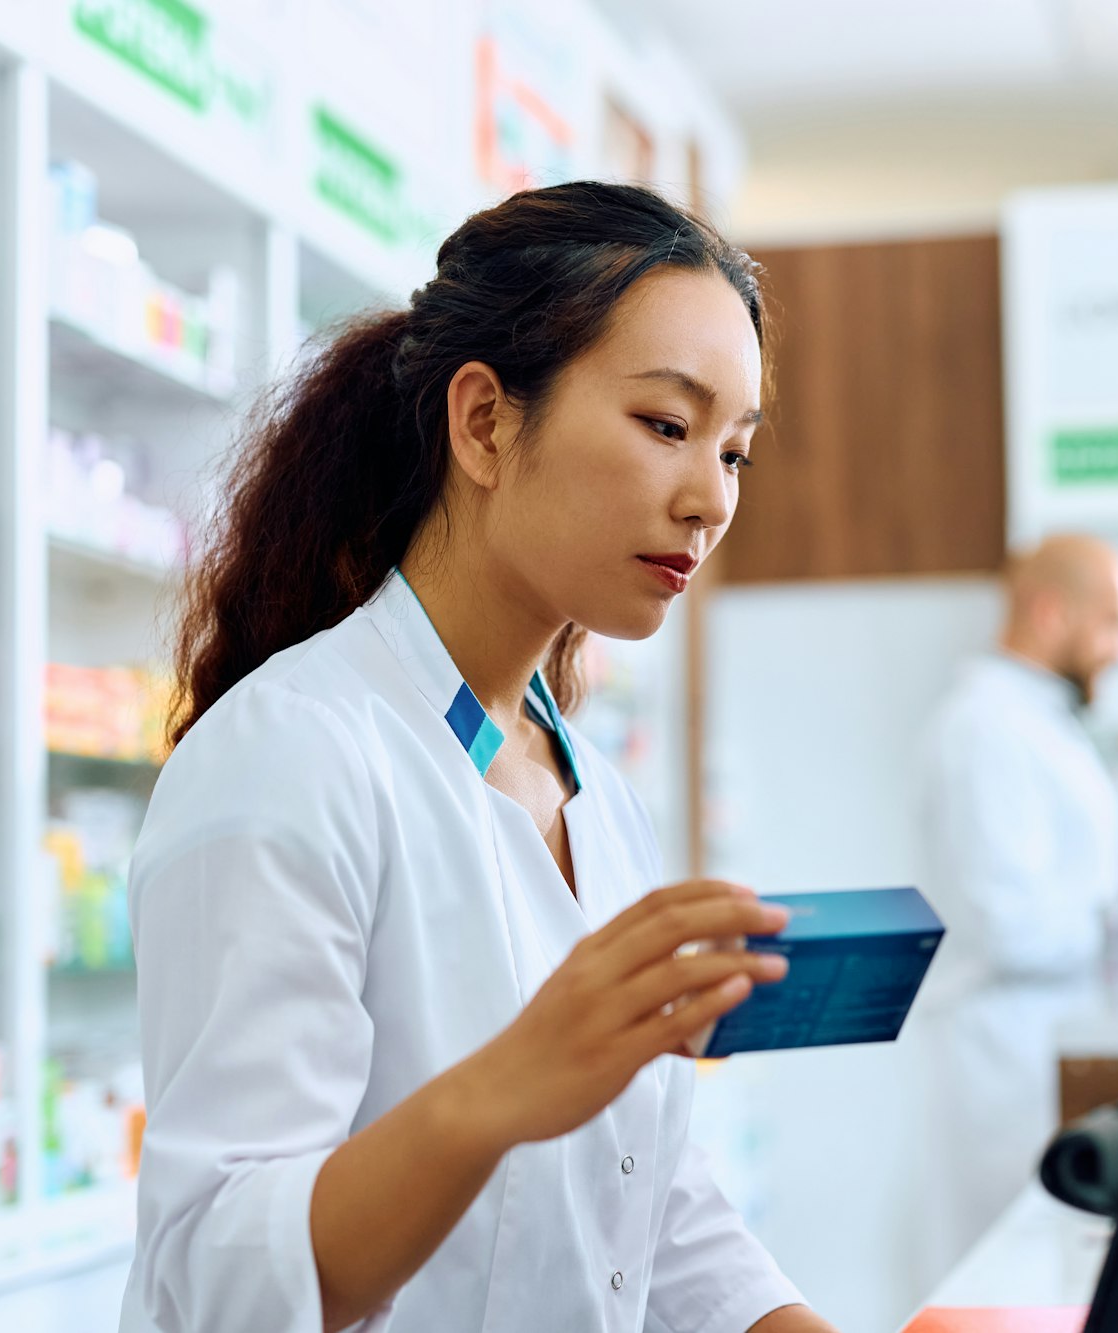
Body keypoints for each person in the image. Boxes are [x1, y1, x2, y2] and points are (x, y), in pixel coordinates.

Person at [118, 183, 836, 1333]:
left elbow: (644, 1204)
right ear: (486, 423)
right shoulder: (290, 755)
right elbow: (216, 1277)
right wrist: (501, 1090)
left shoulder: (588, 793)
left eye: (736, 451)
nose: (708, 499)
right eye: (665, 425)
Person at [907, 534, 1118, 1281]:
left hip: (1039, 1040)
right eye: (1111, 622)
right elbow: (1005, 923)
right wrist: (1115, 927)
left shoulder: (1035, 721)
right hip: (1000, 1053)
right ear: (1049, 611)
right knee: (1003, 1281)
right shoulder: (985, 728)